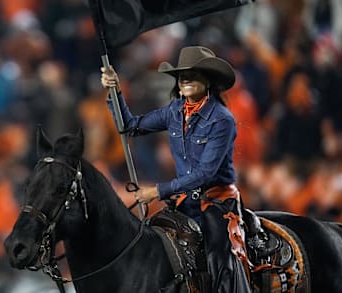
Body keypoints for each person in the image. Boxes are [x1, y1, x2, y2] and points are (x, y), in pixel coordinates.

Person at [101, 46, 251, 293]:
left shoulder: (221, 119)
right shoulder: (174, 111)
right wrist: (115, 91)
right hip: (185, 201)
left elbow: (205, 174)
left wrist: (157, 191)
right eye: (182, 75)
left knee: (220, 258)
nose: (186, 79)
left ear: (208, 81)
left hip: (216, 202)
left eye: (193, 74)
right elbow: (130, 126)